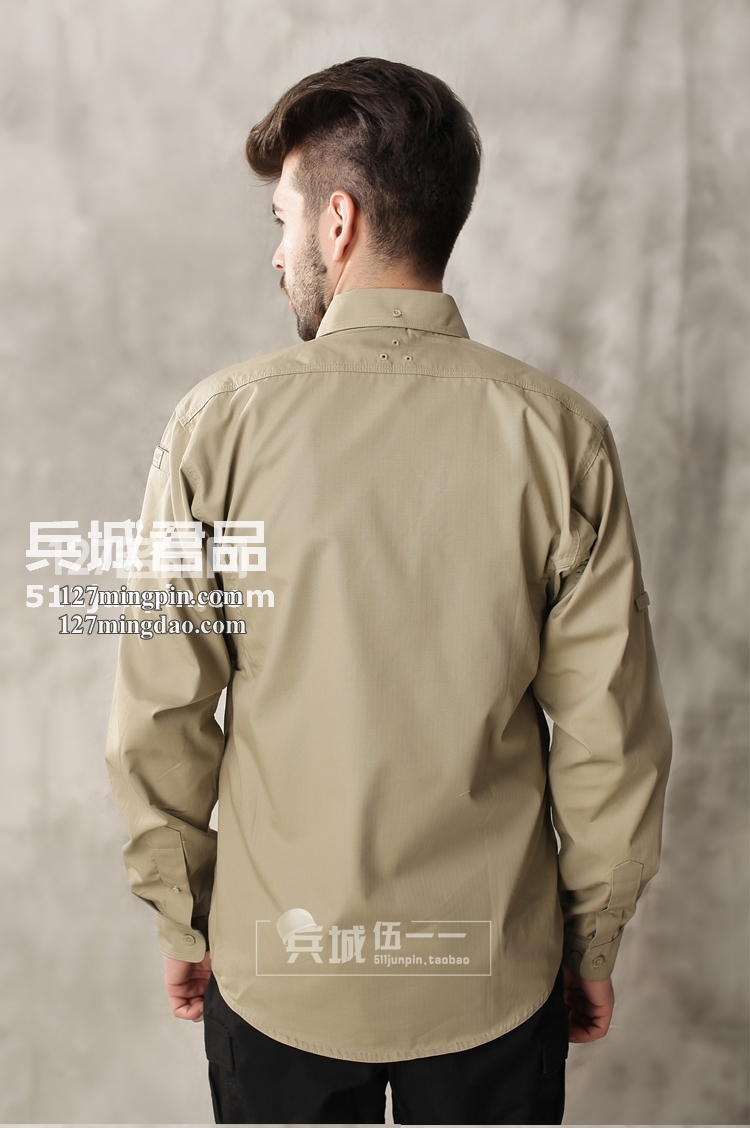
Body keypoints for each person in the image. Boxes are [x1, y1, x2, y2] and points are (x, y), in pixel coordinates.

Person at [105, 57, 672, 1125]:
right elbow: (611, 733)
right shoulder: (561, 437)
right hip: (493, 975)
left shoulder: (214, 428)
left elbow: (159, 714)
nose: (277, 255)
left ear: (339, 222)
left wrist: (183, 915)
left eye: (282, 221)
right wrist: (592, 939)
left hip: (280, 970)